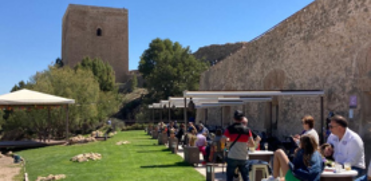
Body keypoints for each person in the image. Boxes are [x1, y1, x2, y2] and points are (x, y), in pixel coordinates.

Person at [221, 110, 255, 181]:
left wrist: (228, 140)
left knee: (229, 177)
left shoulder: (230, 129)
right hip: (243, 156)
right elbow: (252, 144)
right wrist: (246, 144)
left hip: (232, 156)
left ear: (234, 118)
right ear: (242, 119)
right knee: (246, 177)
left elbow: (222, 140)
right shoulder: (247, 130)